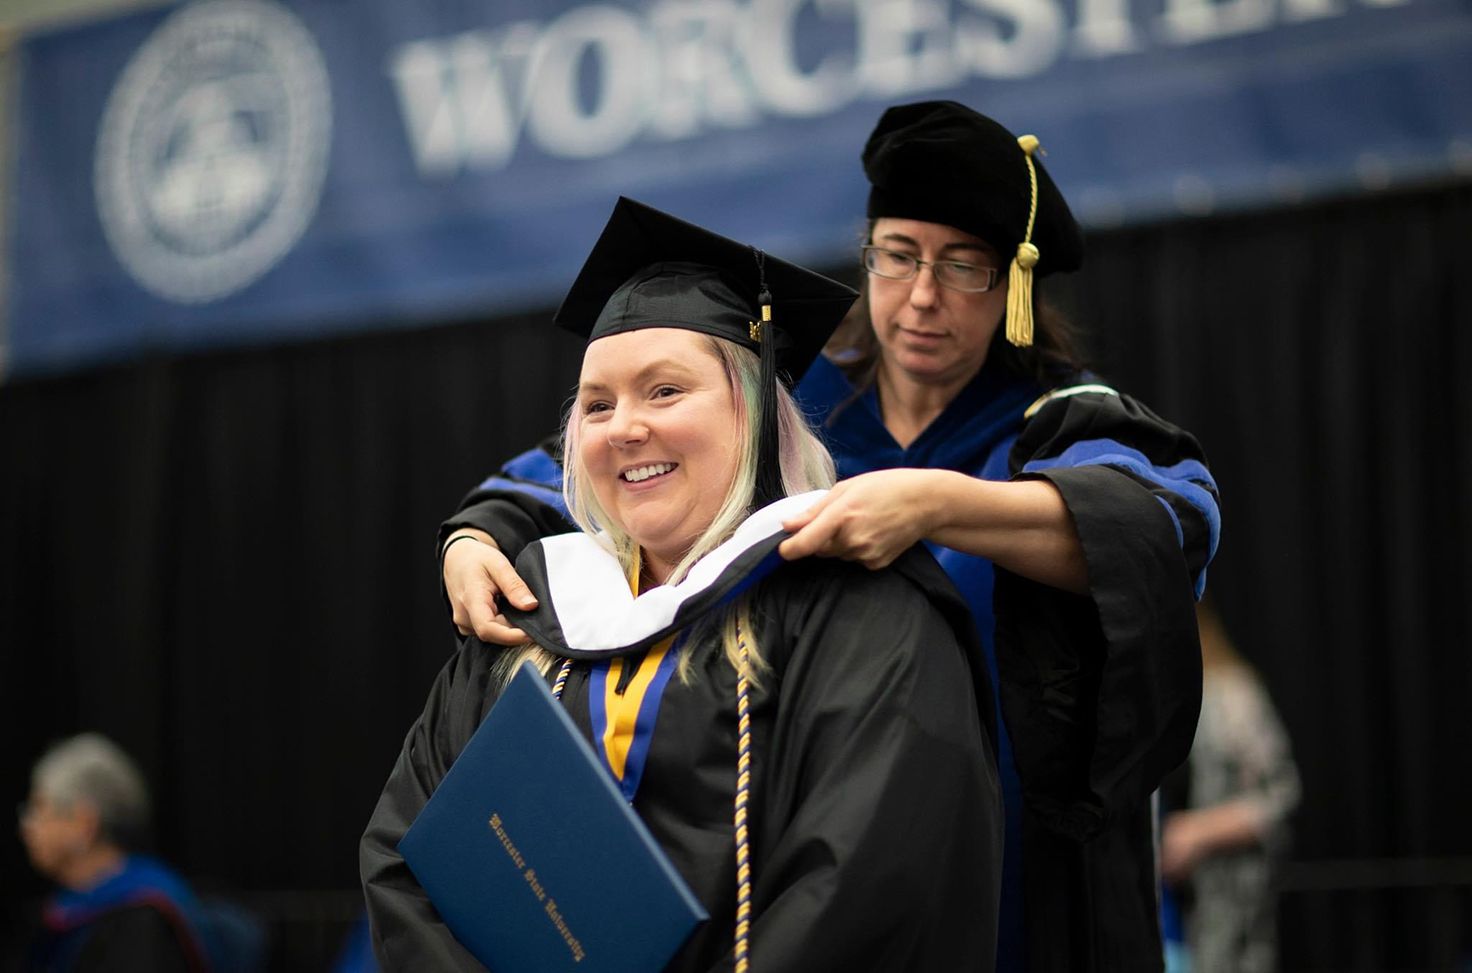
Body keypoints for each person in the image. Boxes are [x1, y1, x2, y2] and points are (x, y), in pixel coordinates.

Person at [436, 102, 1220, 971]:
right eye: (900, 255)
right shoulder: (801, 412)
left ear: (1013, 287)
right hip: (826, 839)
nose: (923, 295)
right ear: (868, 253)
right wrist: (475, 535)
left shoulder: (1060, 421)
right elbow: (600, 460)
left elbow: (1161, 526)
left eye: (964, 268)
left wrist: (936, 503)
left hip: (1025, 863)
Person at [361, 198, 1004, 971]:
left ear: (757, 412)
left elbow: (868, 882)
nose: (625, 427)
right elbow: (406, 852)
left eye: (665, 391)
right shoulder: (531, 612)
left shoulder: (860, 608)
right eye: (597, 404)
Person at [1161, 600, 1300, 973]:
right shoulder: (1137, 701)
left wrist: (1197, 833)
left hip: (1222, 912)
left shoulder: (1231, 696)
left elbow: (1280, 795)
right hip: (1158, 909)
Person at [15, 733, 216, 973]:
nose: (27, 826)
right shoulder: (69, 907)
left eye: (39, 809)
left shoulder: (143, 915)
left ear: (83, 824)